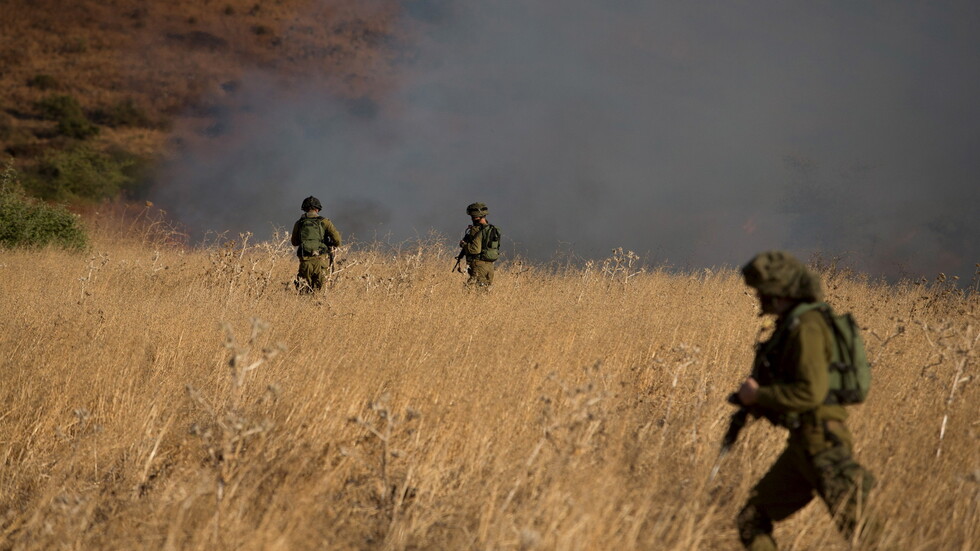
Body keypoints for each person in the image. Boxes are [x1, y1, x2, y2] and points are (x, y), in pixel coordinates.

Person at [734, 251, 876, 550]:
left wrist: (757, 395)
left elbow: (809, 392)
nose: (759, 296)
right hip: (803, 444)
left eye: (763, 290)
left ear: (781, 291)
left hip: (822, 444)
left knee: (867, 535)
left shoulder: (807, 327)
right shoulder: (792, 324)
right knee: (751, 518)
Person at [290, 196, 342, 293]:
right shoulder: (324, 222)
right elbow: (337, 241)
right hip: (321, 260)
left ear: (305, 209)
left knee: (304, 291)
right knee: (320, 292)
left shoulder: (299, 223)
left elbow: (294, 242)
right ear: (317, 209)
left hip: (305, 260)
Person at [457, 202, 500, 288]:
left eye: (472, 217)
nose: (471, 219)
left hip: (479, 266)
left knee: (471, 292)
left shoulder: (476, 230)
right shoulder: (492, 229)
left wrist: (464, 244)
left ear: (476, 216)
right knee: (485, 292)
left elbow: (475, 249)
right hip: (490, 266)